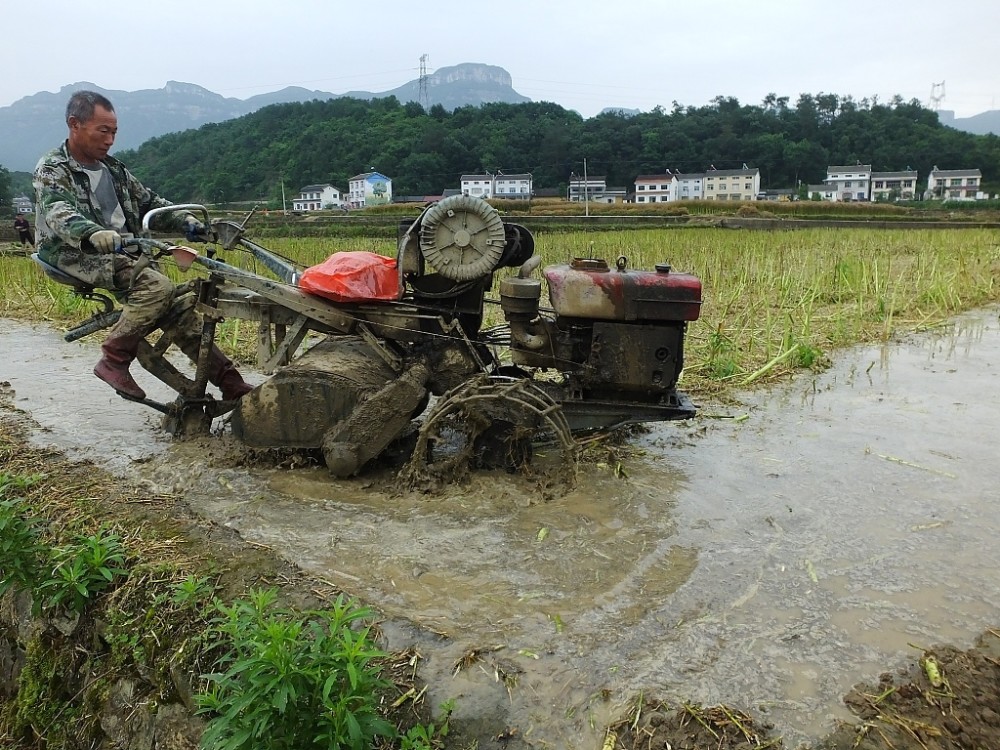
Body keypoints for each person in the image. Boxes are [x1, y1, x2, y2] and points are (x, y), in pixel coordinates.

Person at [33, 90, 253, 402]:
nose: (110, 139)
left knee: (180, 312)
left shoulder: (114, 168)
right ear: (75, 124)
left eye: (114, 132)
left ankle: (231, 383)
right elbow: (58, 212)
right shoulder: (53, 168)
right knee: (156, 289)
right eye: (103, 131)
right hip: (76, 252)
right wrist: (92, 233)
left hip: (126, 251)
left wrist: (190, 223)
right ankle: (113, 361)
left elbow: (150, 203)